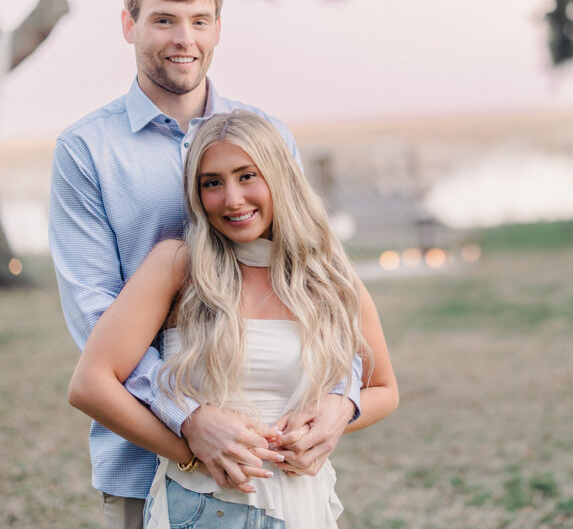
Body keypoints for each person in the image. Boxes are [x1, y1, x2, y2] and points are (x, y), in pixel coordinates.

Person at [49, 0, 364, 529]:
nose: (183, 39)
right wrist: (189, 418)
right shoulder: (85, 150)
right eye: (163, 20)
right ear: (129, 25)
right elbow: (93, 313)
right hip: (142, 454)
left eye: (199, 20)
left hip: (275, 468)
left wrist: (342, 400)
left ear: (218, 28)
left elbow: (309, 273)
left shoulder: (265, 135)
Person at [69, 111, 399, 528]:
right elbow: (89, 385)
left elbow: (384, 388)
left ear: (279, 177)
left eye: (247, 176)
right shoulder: (179, 265)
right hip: (206, 510)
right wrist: (189, 447)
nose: (232, 199)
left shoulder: (328, 276)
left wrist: (339, 411)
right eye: (212, 183)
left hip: (303, 508)